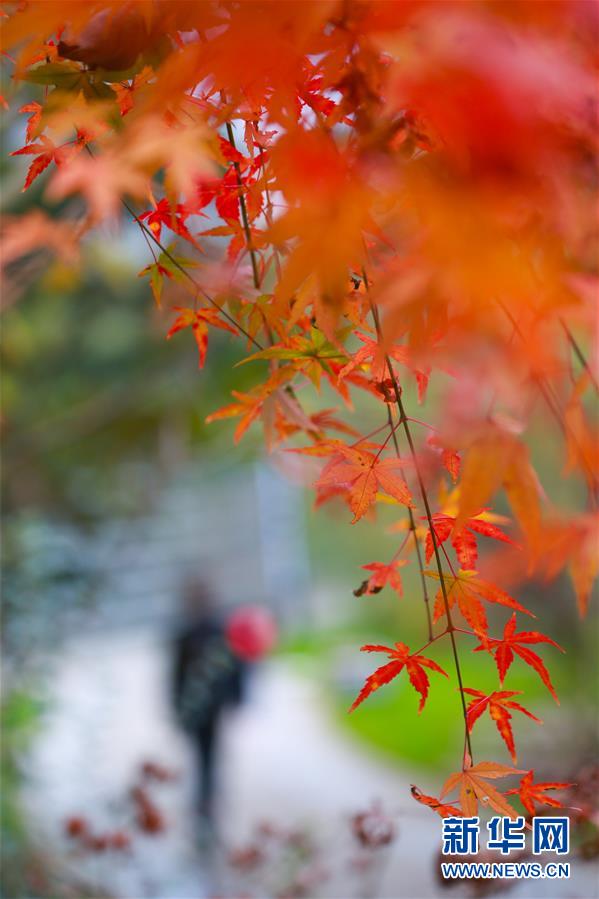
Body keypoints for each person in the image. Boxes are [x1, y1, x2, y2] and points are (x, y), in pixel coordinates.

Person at [172, 578, 245, 823]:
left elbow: (236, 667)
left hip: (213, 707)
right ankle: (205, 798)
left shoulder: (219, 631)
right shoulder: (185, 635)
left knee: (209, 754)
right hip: (195, 708)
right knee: (203, 754)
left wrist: (237, 696)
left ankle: (208, 798)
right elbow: (176, 676)